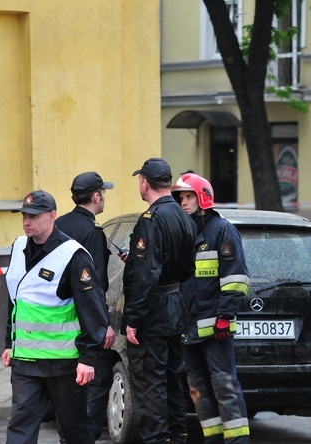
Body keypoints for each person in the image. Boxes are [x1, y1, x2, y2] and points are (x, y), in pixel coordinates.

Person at [2, 190, 108, 444]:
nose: (27, 221)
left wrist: (88, 358)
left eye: (34, 216)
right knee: (20, 426)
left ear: (52, 216)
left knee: (74, 431)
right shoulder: (18, 247)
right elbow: (15, 299)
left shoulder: (73, 255)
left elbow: (91, 310)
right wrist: (9, 342)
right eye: (25, 215)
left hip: (65, 364)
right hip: (25, 361)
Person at [171, 173, 251, 443]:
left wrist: (224, 317)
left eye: (189, 196)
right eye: (180, 197)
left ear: (203, 197)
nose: (183, 202)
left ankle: (238, 440)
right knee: (198, 390)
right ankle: (213, 439)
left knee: (224, 386)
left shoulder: (222, 230)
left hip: (215, 328)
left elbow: (236, 278)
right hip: (188, 329)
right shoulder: (183, 232)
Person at [122, 158, 197, 444]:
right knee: (173, 378)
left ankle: (156, 438)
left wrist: (133, 319)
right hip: (175, 305)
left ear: (144, 182)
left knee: (149, 383)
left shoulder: (151, 220)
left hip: (153, 312)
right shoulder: (183, 216)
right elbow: (187, 268)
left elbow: (146, 274)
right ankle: (177, 435)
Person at [55, 171, 115, 441]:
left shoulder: (58, 225)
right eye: (103, 192)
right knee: (95, 384)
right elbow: (96, 287)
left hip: (55, 324)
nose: (104, 196)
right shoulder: (92, 232)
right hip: (84, 325)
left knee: (64, 390)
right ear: (96, 196)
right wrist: (104, 326)